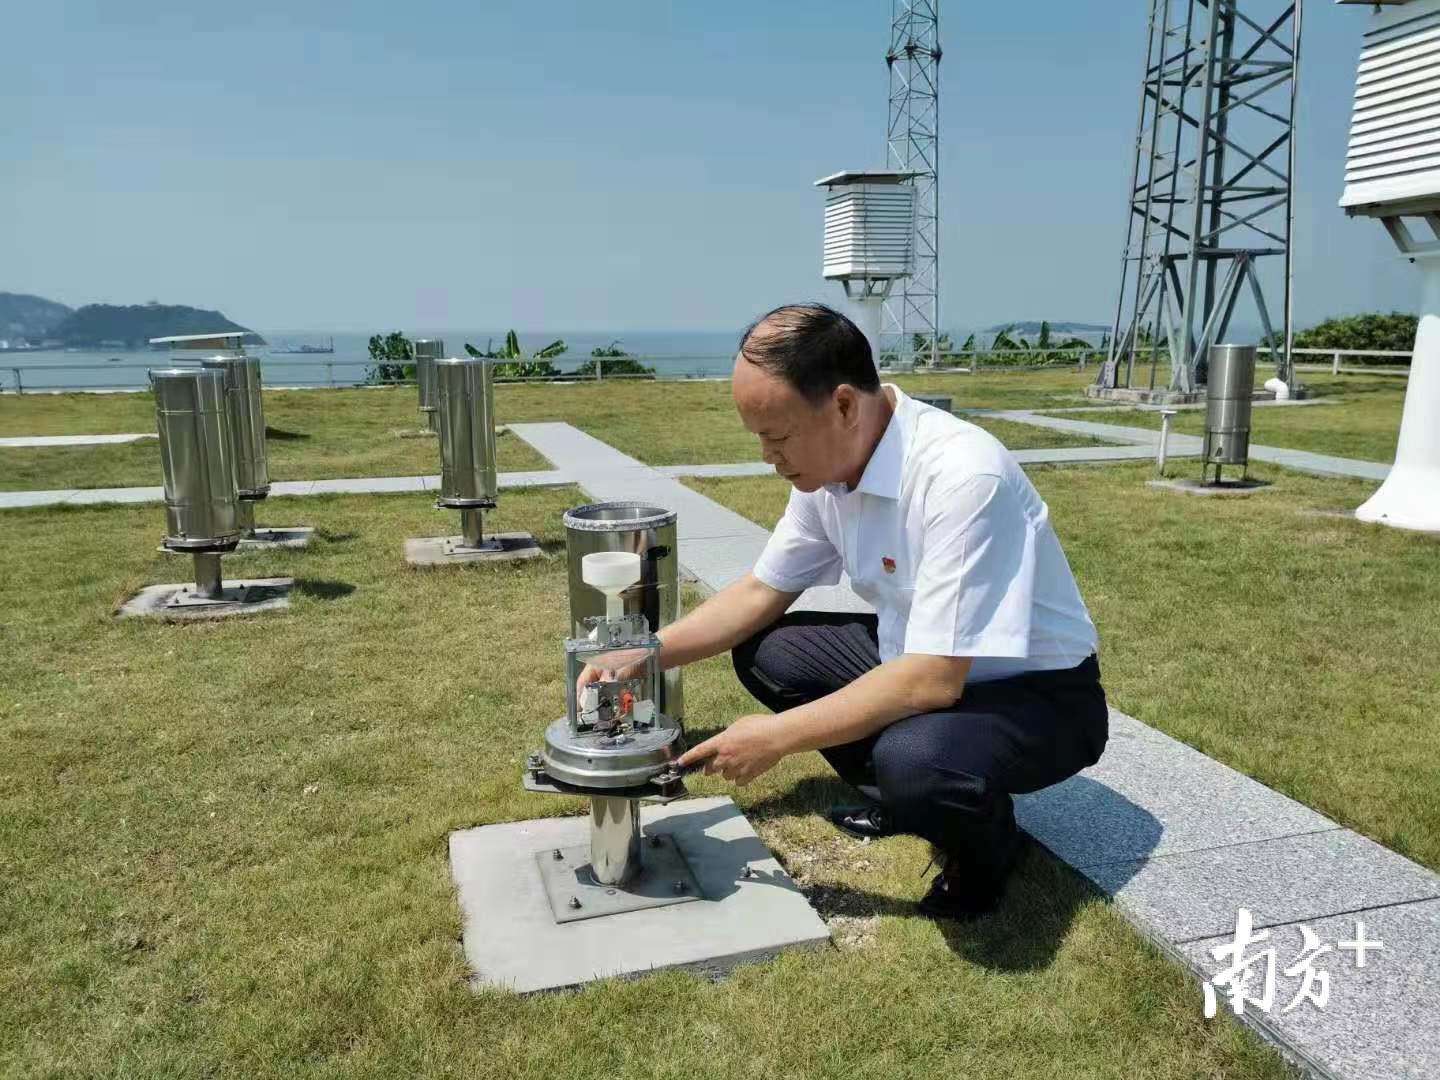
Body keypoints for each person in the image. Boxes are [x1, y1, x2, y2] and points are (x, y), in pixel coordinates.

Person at [583, 302, 1108, 920]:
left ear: (842, 406)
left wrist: (776, 739)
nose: (767, 456)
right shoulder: (828, 475)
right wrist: (645, 654)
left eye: (777, 437)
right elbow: (759, 593)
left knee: (916, 761)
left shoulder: (963, 477)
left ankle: (985, 854)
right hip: (915, 657)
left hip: (1037, 693)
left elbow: (935, 678)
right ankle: (902, 791)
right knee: (769, 651)